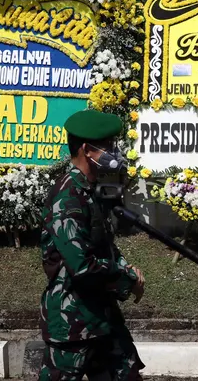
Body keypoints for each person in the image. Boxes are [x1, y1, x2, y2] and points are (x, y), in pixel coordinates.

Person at [39, 109, 146, 381]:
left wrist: (124, 267)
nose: (115, 152)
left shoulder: (89, 189)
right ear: (87, 150)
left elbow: (103, 246)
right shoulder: (68, 197)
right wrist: (127, 278)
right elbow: (82, 266)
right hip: (73, 323)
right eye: (108, 146)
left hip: (103, 319)